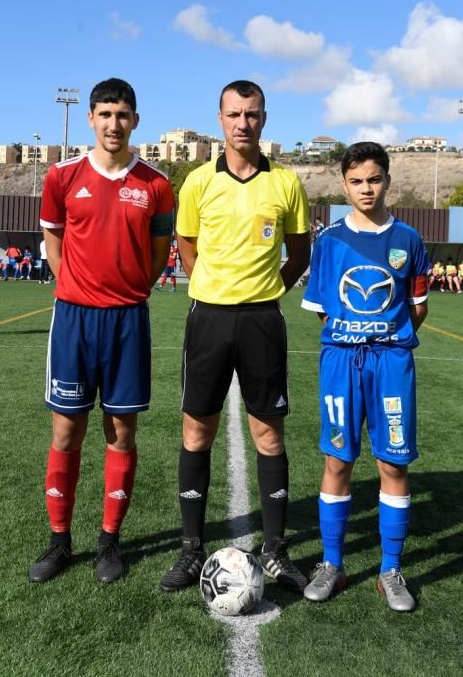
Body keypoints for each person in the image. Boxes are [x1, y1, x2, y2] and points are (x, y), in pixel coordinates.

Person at [160, 80, 311, 595]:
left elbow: (300, 254)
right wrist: (208, 284)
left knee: (268, 433)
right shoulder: (198, 181)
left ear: (264, 119)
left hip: (262, 320)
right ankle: (189, 550)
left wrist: (268, 292)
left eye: (252, 114)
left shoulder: (287, 183)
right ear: (219, 119)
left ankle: (274, 551)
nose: (243, 122)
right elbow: (183, 239)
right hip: (209, 319)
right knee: (196, 431)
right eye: (233, 114)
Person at [29, 78, 174, 584]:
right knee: (67, 430)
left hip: (128, 319)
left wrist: (132, 289)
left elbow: (159, 256)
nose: (114, 124)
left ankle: (109, 541)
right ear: (91, 118)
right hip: (73, 319)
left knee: (121, 431)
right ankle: (59, 541)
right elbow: (53, 239)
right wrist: (72, 286)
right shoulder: (62, 176)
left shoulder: (155, 184)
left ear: (136, 120)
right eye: (105, 114)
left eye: (123, 115)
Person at [302, 141, 429, 612]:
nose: (366, 188)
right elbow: (321, 311)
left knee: (394, 464)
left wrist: (387, 338)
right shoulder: (329, 241)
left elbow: (418, 307)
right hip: (341, 362)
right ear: (344, 185)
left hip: (391, 363)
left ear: (388, 181)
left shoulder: (410, 240)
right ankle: (332, 564)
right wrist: (352, 336)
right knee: (337, 461)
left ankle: (390, 569)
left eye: (374, 179)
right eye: (356, 181)